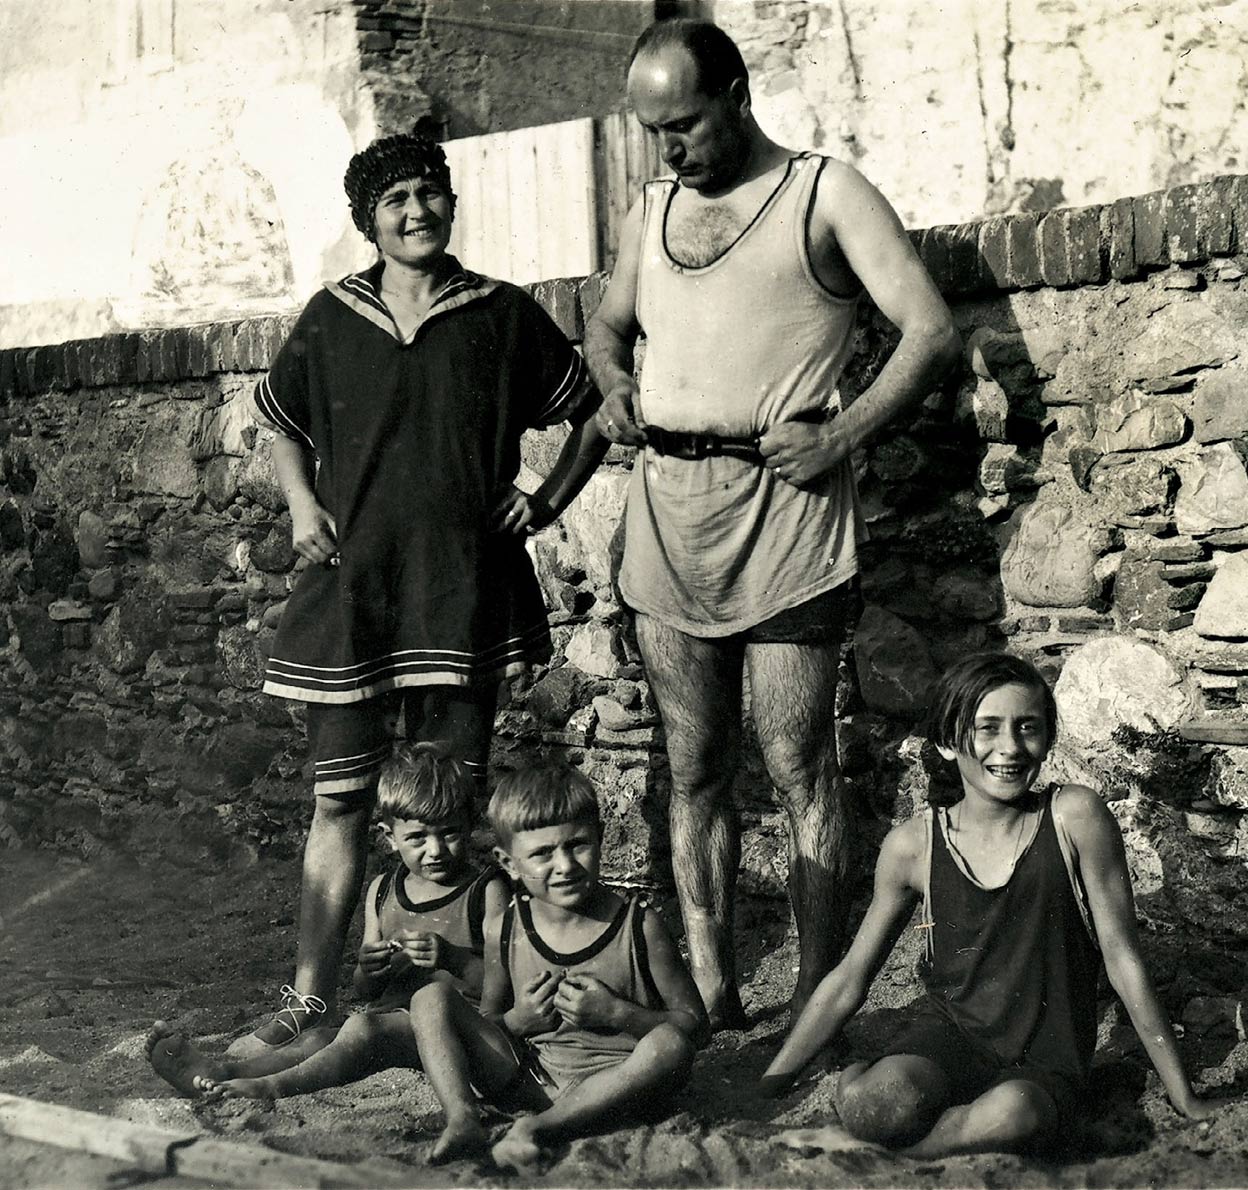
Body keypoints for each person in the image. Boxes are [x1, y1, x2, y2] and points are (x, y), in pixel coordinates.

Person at [582, 17, 961, 1029]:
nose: (670, 147)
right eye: (653, 130)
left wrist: (843, 434)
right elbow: (605, 324)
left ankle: (815, 991)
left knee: (799, 766)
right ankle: (713, 985)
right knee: (694, 765)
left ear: (737, 96)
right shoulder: (652, 208)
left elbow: (929, 329)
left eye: (685, 124)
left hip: (788, 518)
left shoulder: (823, 192)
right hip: (669, 515)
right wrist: (612, 381)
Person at [233, 129, 605, 1056]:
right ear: (369, 221)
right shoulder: (332, 317)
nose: (416, 213)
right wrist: (302, 503)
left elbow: (595, 411)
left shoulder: (501, 313)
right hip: (353, 594)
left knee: (446, 807)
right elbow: (281, 423)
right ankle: (310, 1002)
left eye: (429, 194)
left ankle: (456, 1003)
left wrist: (546, 499)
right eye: (395, 202)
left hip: (459, 595)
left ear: (451, 202)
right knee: (341, 801)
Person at [756, 653, 1235, 1158]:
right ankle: (868, 1097)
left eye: (1027, 727)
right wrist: (772, 1085)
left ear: (1048, 738)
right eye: (988, 728)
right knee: (878, 1102)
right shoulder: (914, 846)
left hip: (1045, 1060)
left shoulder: (1074, 817)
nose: (1009, 747)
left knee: (1012, 1117)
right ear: (947, 741)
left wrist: (1184, 1097)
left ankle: (902, 1155)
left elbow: (1123, 960)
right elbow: (850, 978)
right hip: (950, 1039)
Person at [146, 744, 509, 1099]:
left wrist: (452, 958)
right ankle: (224, 1071)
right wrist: (371, 968)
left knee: (361, 1028)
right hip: (389, 1021)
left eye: (449, 833)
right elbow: (365, 989)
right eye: (417, 837)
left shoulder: (485, 890)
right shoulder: (383, 890)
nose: (435, 850)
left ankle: (272, 1086)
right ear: (390, 837)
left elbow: (503, 987)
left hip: (449, 1032)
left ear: (470, 825)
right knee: (318, 1038)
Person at [407, 760, 708, 1172]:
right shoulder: (506, 926)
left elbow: (696, 1028)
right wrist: (519, 1020)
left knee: (670, 1046)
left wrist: (619, 1014)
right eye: (543, 854)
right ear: (509, 863)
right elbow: (490, 1018)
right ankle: (463, 1118)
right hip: (531, 1080)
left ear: (601, 837)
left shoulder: (639, 925)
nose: (565, 866)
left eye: (577, 845)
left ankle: (537, 1129)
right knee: (430, 997)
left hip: (617, 1087)